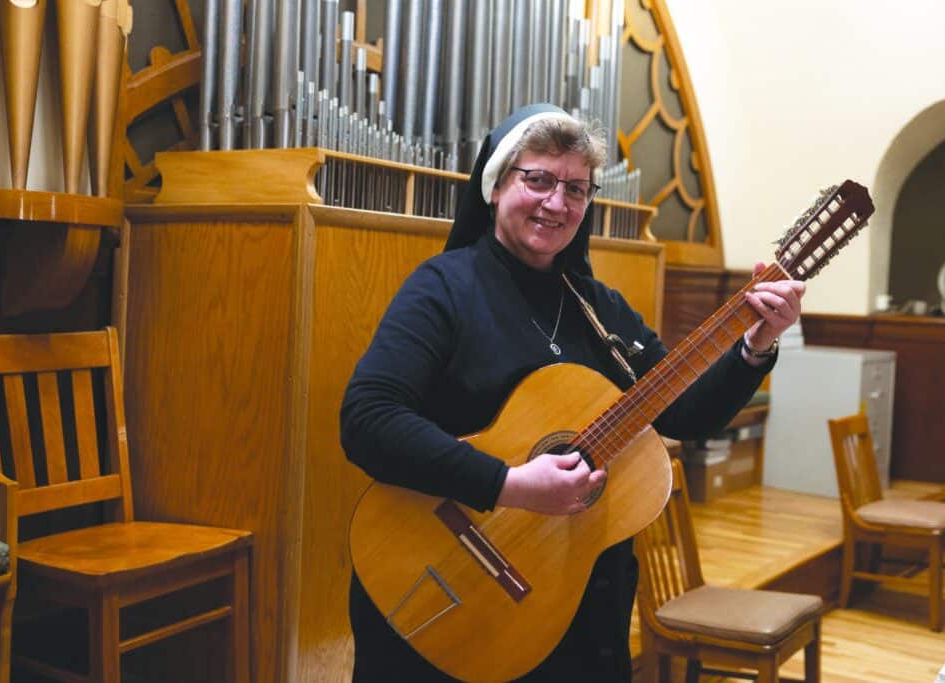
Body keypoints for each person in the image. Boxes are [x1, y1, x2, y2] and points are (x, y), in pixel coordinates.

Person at [340, 103, 805, 682]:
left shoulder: (599, 308)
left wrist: (755, 346)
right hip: (445, 580)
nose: (557, 203)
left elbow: (683, 414)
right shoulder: (442, 288)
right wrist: (509, 484)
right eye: (538, 179)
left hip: (571, 606)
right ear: (496, 185)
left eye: (576, 189)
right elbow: (367, 418)